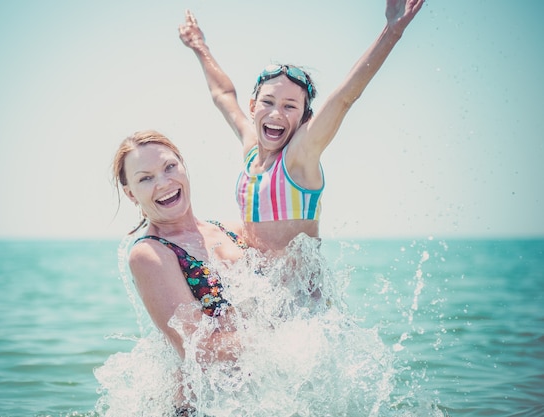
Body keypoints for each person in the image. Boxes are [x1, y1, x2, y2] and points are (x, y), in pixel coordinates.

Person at [179, 0, 425, 253]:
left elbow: (344, 98)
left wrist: (391, 32)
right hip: (259, 290)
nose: (276, 113)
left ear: (306, 118)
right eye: (268, 101)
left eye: (289, 106)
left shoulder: (298, 158)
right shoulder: (251, 149)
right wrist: (199, 46)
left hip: (300, 294)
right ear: (253, 106)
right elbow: (223, 95)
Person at [111, 130, 247, 415]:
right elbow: (200, 351)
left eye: (169, 167)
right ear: (131, 194)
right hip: (198, 408)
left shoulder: (233, 231)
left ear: (183, 166)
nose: (163, 183)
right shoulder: (150, 254)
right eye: (145, 178)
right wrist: (285, 339)